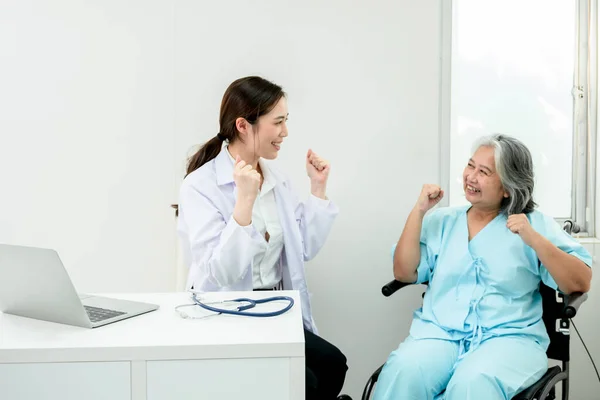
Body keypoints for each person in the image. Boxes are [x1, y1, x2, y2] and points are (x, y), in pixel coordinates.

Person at [373, 134, 592, 400]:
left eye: (484, 172)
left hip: (508, 339)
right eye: (470, 166)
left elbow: (579, 282)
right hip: (440, 334)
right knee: (403, 373)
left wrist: (533, 239)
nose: (471, 177)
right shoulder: (443, 221)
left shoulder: (534, 223)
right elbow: (403, 272)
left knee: (472, 385)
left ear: (508, 187)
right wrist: (419, 211)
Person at [176, 76, 350, 400]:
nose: (285, 132)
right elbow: (220, 272)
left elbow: (304, 248)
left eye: (286, 121)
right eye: (278, 122)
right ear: (244, 125)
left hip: (273, 309)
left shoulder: (277, 181)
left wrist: (318, 188)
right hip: (225, 314)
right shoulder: (200, 186)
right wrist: (244, 201)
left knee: (333, 364)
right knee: (306, 383)